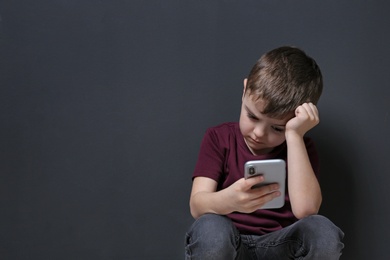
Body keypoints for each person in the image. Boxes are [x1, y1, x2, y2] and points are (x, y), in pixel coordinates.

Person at [185, 46, 344, 259]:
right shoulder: (218, 138)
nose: (259, 133)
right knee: (211, 229)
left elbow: (306, 211)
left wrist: (294, 136)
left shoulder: (301, 148)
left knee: (322, 231)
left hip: (280, 246)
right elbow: (197, 206)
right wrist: (230, 200)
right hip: (229, 245)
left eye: (277, 128)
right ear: (244, 91)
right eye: (252, 116)